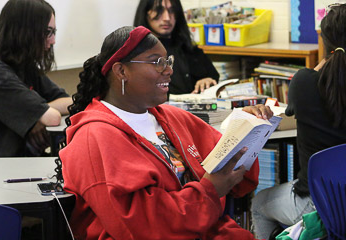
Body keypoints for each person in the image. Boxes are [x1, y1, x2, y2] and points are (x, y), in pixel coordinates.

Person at [59, 25, 273, 239]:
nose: (169, 70)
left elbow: (236, 174)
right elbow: (140, 226)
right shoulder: (95, 136)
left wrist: (246, 127)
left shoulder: (171, 117)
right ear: (121, 71)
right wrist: (210, 190)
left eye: (167, 61)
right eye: (156, 62)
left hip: (203, 229)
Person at [251, 4, 346, 239]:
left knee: (259, 203)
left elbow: (291, 111)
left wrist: (326, 62)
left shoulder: (304, 82)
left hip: (320, 205)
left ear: (325, 43)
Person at [0, 0, 72, 157]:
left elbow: (70, 101)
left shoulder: (23, 64)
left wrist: (35, 113)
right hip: (0, 168)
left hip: (23, 159)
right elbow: (52, 118)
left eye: (54, 32)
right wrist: (40, 113)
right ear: (25, 31)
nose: (52, 41)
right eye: (47, 32)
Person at [134, 0, 220, 95]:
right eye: (159, 10)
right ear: (145, 13)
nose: (166, 18)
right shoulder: (138, 54)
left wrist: (207, 81)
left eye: (172, 10)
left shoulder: (189, 48)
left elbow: (213, 77)